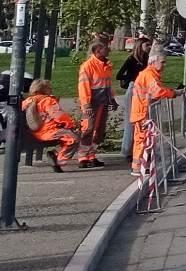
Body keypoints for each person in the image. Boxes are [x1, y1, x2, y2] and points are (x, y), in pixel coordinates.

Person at [128, 46, 174, 185]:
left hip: (143, 111)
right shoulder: (149, 75)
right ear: (153, 62)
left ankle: (142, 165)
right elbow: (157, 92)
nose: (164, 65)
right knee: (142, 140)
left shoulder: (150, 74)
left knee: (144, 140)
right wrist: (173, 93)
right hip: (143, 112)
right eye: (162, 62)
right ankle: (138, 167)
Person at [75, 35, 116, 168]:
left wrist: (112, 99)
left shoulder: (106, 65)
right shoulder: (88, 66)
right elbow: (83, 86)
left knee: (99, 131)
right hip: (91, 103)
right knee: (88, 129)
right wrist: (86, 104)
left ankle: (92, 155)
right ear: (98, 50)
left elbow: (108, 84)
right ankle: (82, 157)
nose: (109, 49)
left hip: (103, 102)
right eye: (106, 48)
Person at [22, 78, 79, 173]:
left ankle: (56, 154)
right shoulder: (47, 100)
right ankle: (58, 159)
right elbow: (58, 115)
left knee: (67, 135)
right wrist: (71, 125)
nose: (51, 90)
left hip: (32, 133)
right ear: (43, 89)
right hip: (48, 132)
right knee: (74, 138)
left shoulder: (26, 101)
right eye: (49, 88)